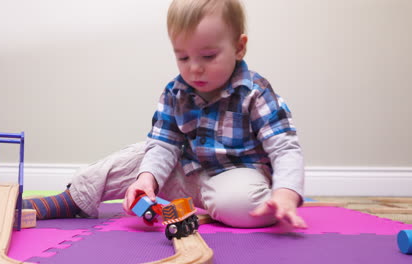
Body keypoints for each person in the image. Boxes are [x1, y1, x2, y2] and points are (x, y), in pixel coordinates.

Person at [24, 0, 307, 229]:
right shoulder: (176, 92)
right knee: (132, 161)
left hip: (238, 176)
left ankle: (270, 205)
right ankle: (70, 201)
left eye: (208, 56)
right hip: (188, 172)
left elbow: (284, 148)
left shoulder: (255, 92)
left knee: (241, 204)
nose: (194, 68)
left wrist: (286, 192)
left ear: (239, 47)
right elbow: (164, 144)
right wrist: (147, 178)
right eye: (183, 57)